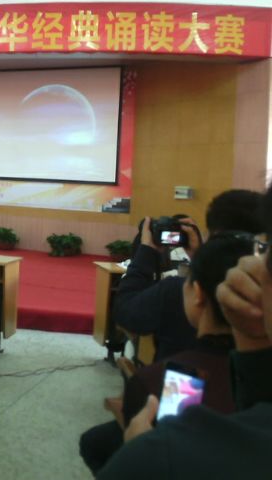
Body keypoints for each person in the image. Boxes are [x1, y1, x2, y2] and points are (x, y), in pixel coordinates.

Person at [97, 187, 272, 479]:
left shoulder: (179, 386)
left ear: (198, 293)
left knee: (95, 443)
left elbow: (126, 312)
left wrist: (147, 253)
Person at [80, 234, 252, 474]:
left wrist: (137, 451)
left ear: (197, 293)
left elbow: (168, 453)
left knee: (94, 443)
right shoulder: (255, 372)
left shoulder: (178, 381)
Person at [113, 190, 263, 362]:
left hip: (179, 376)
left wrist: (147, 252)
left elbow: (126, 313)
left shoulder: (177, 291)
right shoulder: (264, 297)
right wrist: (201, 258)